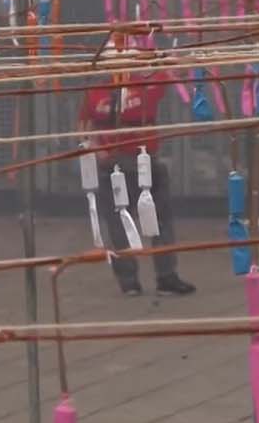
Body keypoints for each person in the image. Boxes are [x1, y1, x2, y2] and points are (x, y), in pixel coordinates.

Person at [79, 59, 197, 298]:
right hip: (124, 164)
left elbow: (178, 70)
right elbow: (84, 125)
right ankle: (146, 279)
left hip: (134, 162)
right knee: (136, 223)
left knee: (140, 223)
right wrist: (94, 149)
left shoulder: (134, 85)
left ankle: (148, 279)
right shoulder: (118, 89)